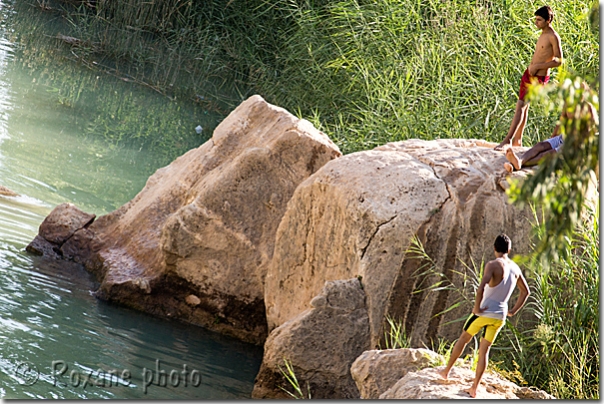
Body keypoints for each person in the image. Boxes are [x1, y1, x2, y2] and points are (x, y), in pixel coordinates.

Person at [437, 234, 530, 398]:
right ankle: (474, 388)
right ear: (509, 249)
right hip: (500, 316)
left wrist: (476, 308)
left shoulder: (493, 265)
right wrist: (512, 311)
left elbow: (480, 288)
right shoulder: (516, 268)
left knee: (464, 338)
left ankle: (446, 371)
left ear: (494, 248)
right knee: (484, 350)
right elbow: (526, 292)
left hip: (485, 311)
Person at [494, 6, 562, 151]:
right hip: (530, 74)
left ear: (548, 20)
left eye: (539, 20)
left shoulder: (553, 36)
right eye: (535, 19)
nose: (536, 22)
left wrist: (539, 66)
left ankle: (508, 140)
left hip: (539, 76)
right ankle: (517, 140)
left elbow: (559, 60)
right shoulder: (542, 33)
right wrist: (533, 67)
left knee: (521, 105)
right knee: (523, 107)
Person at [503, 94, 597, 172]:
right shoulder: (568, 104)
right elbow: (560, 122)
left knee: (546, 154)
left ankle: (517, 165)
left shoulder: (588, 108)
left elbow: (594, 128)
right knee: (540, 146)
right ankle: (519, 161)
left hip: (575, 143)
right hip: (563, 137)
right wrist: (551, 140)